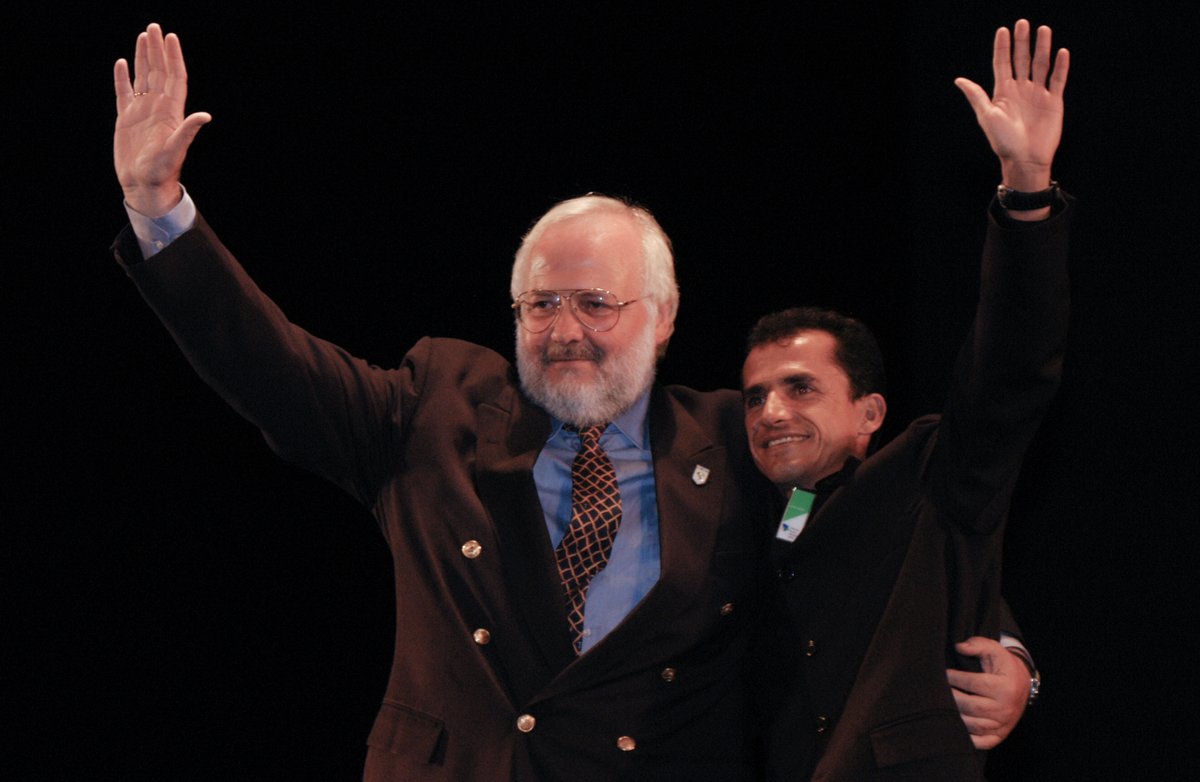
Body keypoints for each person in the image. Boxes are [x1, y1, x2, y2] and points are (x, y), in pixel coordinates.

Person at [109, 22, 1032, 780]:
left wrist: (1004, 646)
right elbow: (271, 366)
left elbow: (871, 539)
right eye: (541, 303)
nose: (564, 329)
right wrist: (160, 208)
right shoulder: (433, 409)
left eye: (596, 303)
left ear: (662, 316)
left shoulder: (734, 438)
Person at [742, 19, 1070, 781]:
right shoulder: (739, 514)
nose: (771, 412)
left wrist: (1026, 193)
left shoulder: (928, 479)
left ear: (870, 414)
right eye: (755, 395)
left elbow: (1011, 370)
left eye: (800, 388)